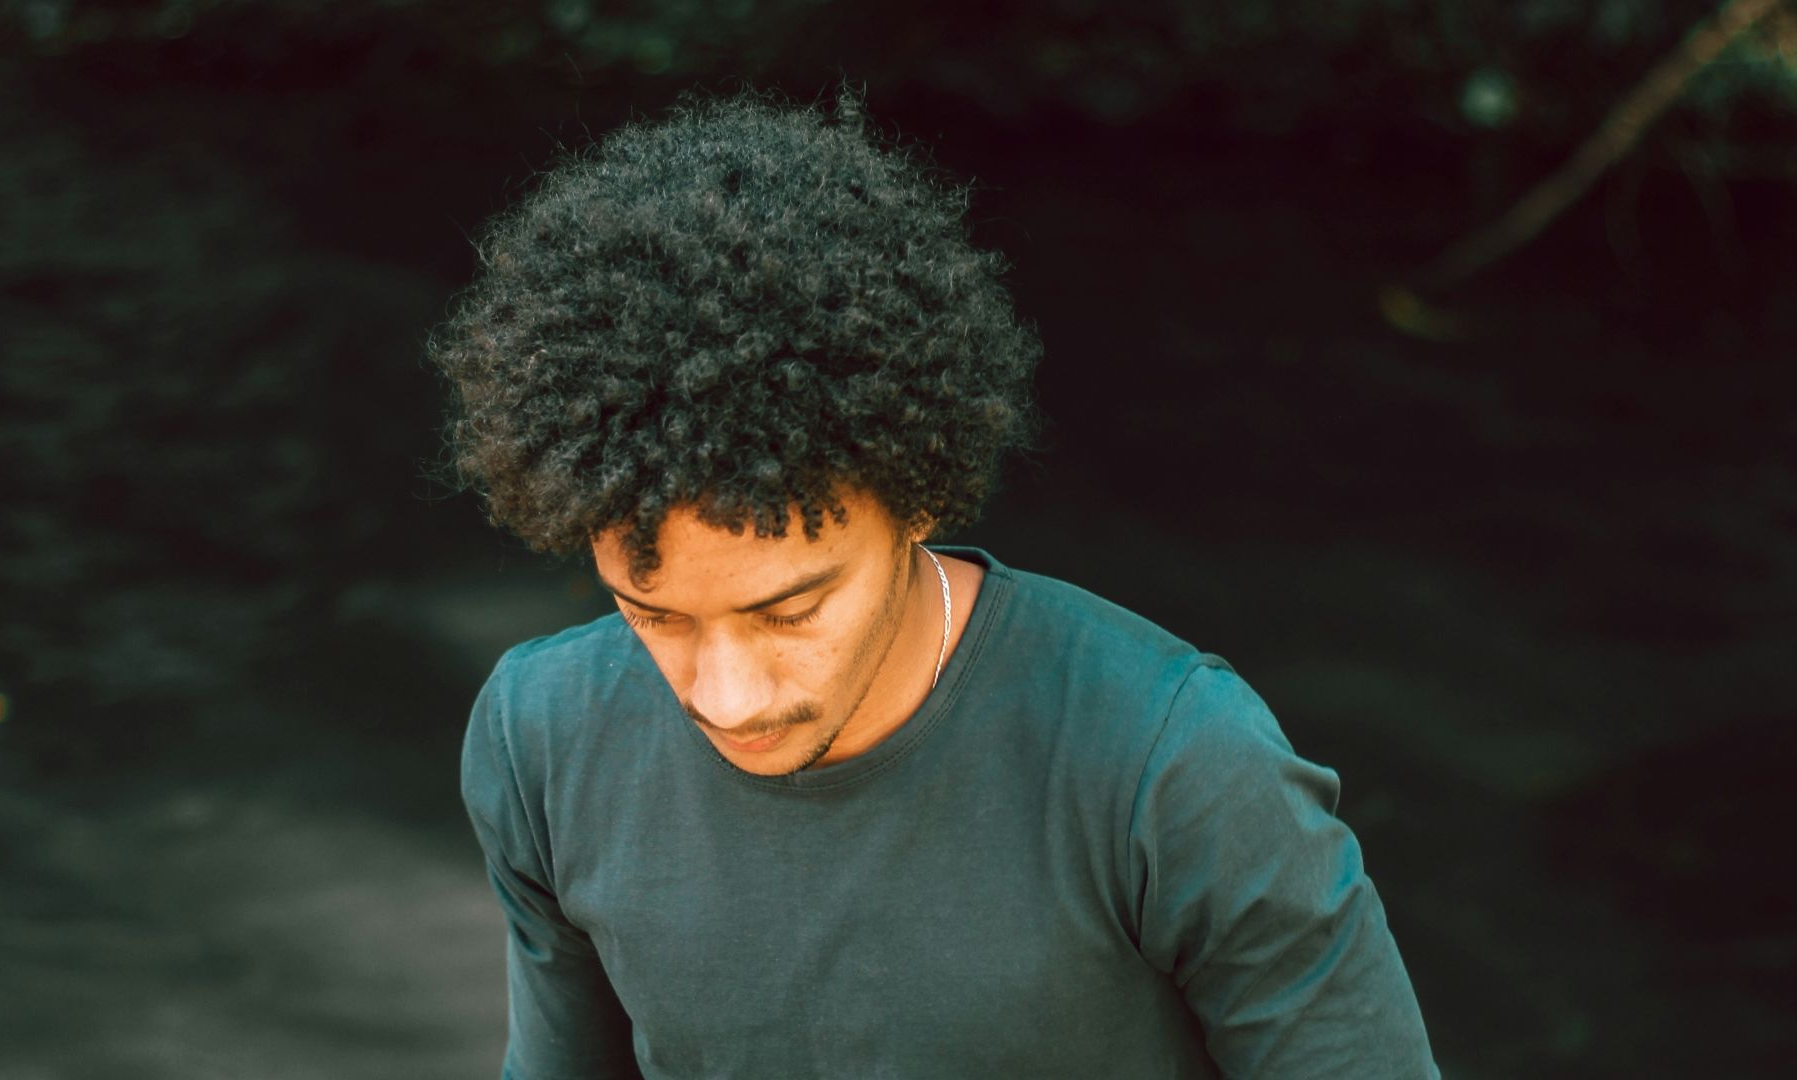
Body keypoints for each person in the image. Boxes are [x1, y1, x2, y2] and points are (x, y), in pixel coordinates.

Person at [432, 90, 1439, 1079]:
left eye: (790, 609)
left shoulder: (1174, 765)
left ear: (915, 499)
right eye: (652, 615)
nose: (725, 695)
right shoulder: (543, 737)